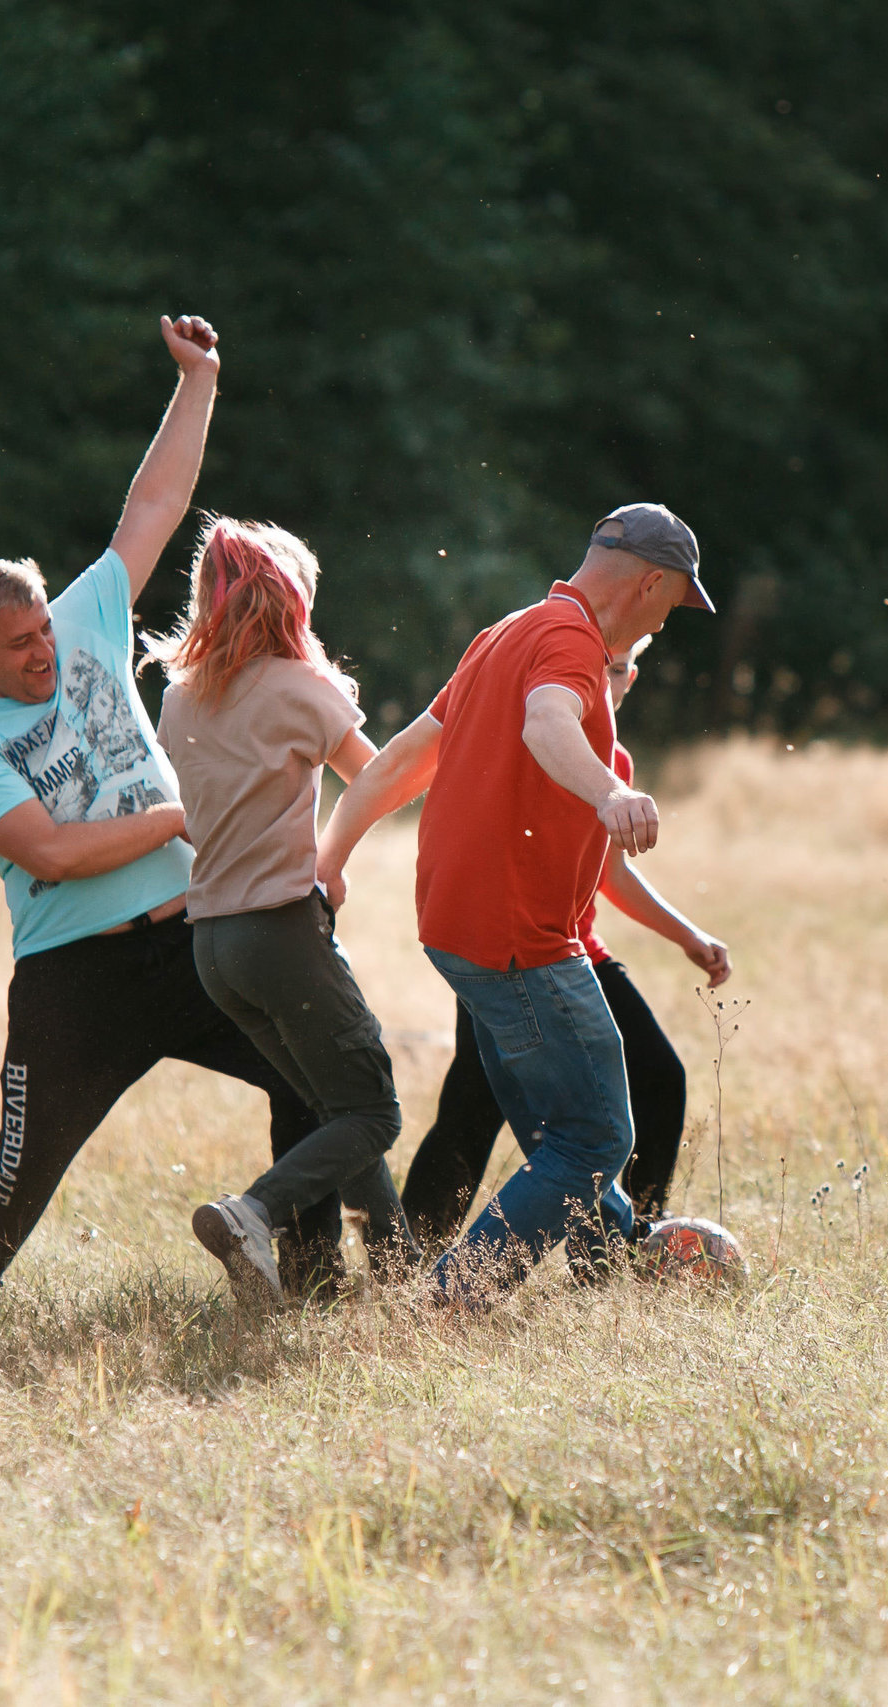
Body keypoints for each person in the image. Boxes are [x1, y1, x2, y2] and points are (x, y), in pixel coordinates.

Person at [0, 317, 340, 1292]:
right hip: (78, 980)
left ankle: (316, 1278)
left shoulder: (83, 623)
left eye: (42, 630)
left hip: (198, 941)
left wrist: (198, 381)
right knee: (23, 1169)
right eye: (18, 645)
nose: (43, 654)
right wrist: (178, 815)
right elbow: (57, 856)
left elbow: (155, 503)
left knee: (318, 1080)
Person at [317, 503, 716, 1304]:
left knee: (547, 1124)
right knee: (600, 1134)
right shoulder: (570, 645)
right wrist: (612, 792)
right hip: (519, 940)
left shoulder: (504, 633)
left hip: (456, 932)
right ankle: (452, 1296)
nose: (667, 621)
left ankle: (615, 1269)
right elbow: (546, 723)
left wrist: (331, 857)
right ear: (648, 582)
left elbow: (401, 760)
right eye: (672, 603)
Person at [151, 518, 420, 1305]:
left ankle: (400, 1273)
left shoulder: (179, 699)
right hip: (280, 932)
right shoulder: (306, 688)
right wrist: (329, 860)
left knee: (338, 1106)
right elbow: (380, 781)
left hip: (212, 945)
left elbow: (198, 814)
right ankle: (252, 1212)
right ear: (290, 601)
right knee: (372, 1110)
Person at [400, 635, 730, 1246]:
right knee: (474, 1105)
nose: (611, 682)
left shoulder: (615, 763)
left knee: (659, 1076)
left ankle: (629, 1243)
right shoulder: (534, 742)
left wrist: (688, 935)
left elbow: (611, 873)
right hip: (504, 952)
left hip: (573, 952)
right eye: (601, 668)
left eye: (625, 669)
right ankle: (407, 1252)